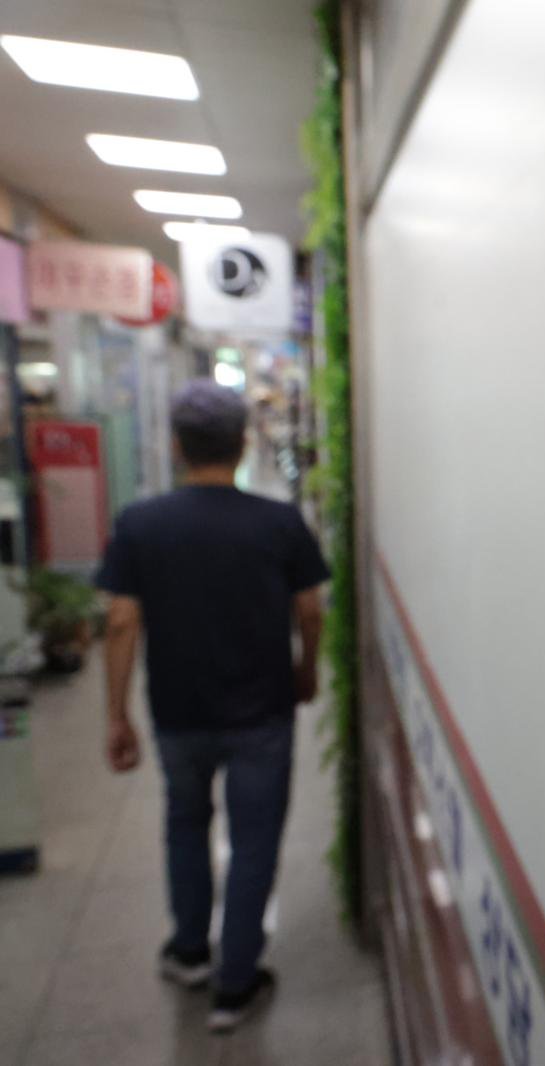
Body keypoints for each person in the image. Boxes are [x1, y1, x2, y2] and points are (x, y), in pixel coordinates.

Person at [95, 379, 329, 1032]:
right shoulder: (279, 522)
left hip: (178, 710)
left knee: (185, 823)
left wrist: (116, 714)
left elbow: (121, 621)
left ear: (176, 446)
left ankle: (191, 952)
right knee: (254, 839)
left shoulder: (140, 524)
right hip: (262, 711)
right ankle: (236, 983)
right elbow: (310, 610)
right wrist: (306, 669)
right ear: (243, 443)